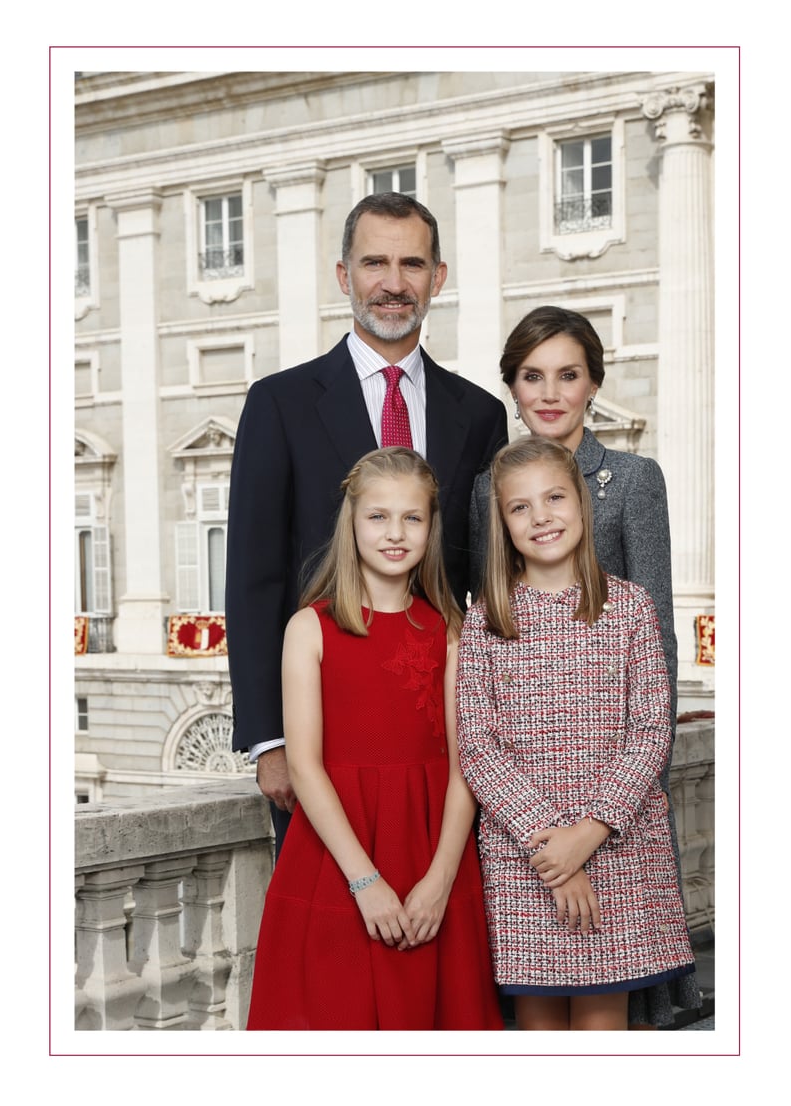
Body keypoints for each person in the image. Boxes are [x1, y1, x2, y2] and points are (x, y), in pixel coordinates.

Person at [226, 192, 507, 854]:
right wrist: (270, 738)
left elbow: (491, 582)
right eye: (374, 262)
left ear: (437, 279)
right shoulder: (279, 403)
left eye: (411, 264)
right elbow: (254, 576)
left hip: (438, 731)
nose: (392, 283)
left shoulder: (480, 413)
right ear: (344, 275)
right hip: (320, 731)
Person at [469, 305, 701, 1027]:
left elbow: (654, 641)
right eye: (532, 376)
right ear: (512, 387)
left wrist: (613, 817)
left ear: (593, 383)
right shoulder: (488, 490)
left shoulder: (631, 479)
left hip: (617, 803)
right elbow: (481, 709)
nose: (550, 391)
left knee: (609, 1023)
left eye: (567, 374)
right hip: (525, 825)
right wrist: (546, 835)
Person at [245, 447, 503, 1030]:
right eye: (378, 516)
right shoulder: (308, 627)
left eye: (412, 518)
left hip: (433, 850)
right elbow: (305, 767)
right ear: (352, 523)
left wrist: (439, 881)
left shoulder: (450, 631)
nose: (395, 532)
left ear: (432, 527)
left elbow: (468, 767)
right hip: (338, 858)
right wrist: (365, 882)